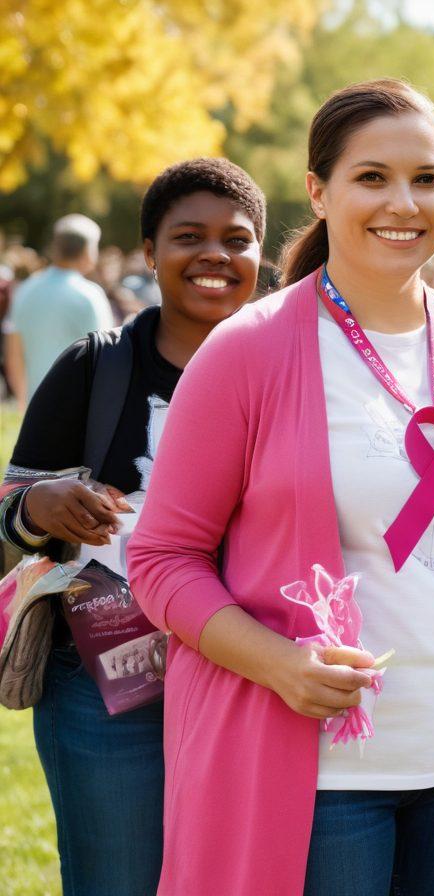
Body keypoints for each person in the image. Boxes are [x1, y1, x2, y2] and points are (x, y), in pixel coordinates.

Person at [126, 79, 434, 896]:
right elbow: (162, 558)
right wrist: (281, 664)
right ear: (319, 191)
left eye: (428, 178)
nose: (404, 202)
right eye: (372, 177)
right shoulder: (246, 352)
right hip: (315, 781)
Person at [1, 158, 265, 896]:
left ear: (260, 258)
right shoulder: (95, 369)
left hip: (257, 679)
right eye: (188, 236)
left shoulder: (293, 371)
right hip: (106, 691)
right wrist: (33, 510)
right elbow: (3, 532)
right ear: (149, 252)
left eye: (236, 240)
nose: (215, 254)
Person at [5, 214, 115, 407]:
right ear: (88, 251)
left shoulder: (25, 290)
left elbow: (12, 353)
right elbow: (105, 358)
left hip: (35, 406)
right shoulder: (89, 296)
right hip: (77, 409)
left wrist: (25, 402)